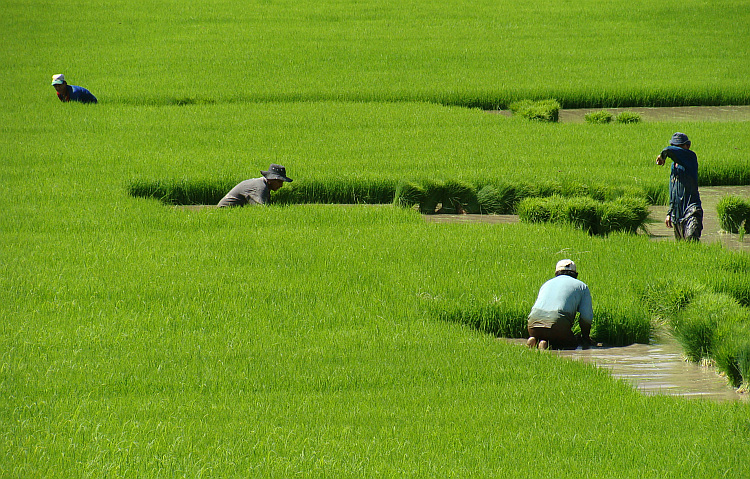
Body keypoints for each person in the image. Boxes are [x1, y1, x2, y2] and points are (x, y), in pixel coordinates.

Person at [527, 259, 594, 350]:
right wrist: (585, 337)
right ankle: (546, 344)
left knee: (545, 334)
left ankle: (535, 339)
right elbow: (586, 317)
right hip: (557, 322)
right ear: (575, 274)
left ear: (556, 272)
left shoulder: (547, 283)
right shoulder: (582, 286)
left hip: (533, 323)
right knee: (572, 345)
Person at [656, 132, 703, 241]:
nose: (678, 150)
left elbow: (669, 150)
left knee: (691, 242)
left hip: (691, 211)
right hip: (677, 214)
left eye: (680, 147)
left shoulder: (691, 158)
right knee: (682, 249)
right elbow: (673, 191)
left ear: (688, 146)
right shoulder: (674, 166)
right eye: (675, 146)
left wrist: (663, 154)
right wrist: (669, 213)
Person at [217, 164, 292, 207]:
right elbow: (262, 210)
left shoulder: (264, 186)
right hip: (225, 211)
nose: (281, 185)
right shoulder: (260, 188)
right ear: (270, 179)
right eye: (279, 181)